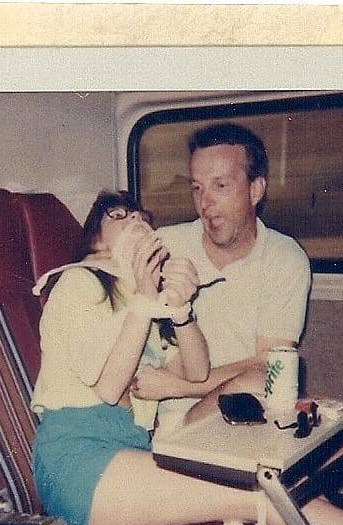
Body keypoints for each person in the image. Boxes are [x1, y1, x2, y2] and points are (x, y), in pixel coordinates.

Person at [30, 189, 343, 525]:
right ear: (95, 239)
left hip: (130, 450)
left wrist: (180, 309)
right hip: (78, 460)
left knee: (267, 483)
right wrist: (145, 296)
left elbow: (194, 373)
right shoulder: (76, 283)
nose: (136, 221)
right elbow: (109, 388)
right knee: (258, 492)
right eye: (119, 215)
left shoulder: (138, 305)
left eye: (141, 217)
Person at [131, 123, 311, 429]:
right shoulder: (165, 246)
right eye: (197, 188)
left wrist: (176, 387)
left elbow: (269, 367)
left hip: (246, 410)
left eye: (221, 186)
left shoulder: (284, 258)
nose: (205, 203)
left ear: (255, 190)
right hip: (164, 418)